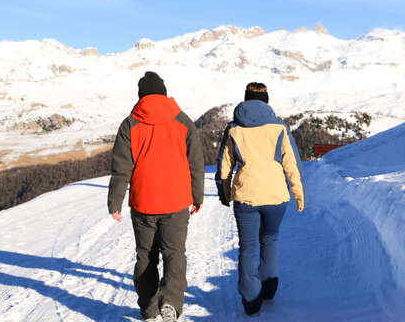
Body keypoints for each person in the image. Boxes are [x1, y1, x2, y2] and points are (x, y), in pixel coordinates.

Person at [108, 71, 204, 322]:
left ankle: (149, 311)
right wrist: (198, 196)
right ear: (164, 92)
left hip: (143, 202)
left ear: (141, 96)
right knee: (174, 254)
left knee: (145, 256)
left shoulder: (130, 123)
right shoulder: (183, 120)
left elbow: (121, 167)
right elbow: (195, 162)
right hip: (176, 201)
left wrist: (114, 202)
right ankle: (171, 303)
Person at [216, 82, 305, 316]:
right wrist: (298, 195)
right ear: (267, 100)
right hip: (276, 196)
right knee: (270, 239)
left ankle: (251, 299)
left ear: (245, 99)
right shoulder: (280, 128)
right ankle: (269, 288)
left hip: (246, 197)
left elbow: (224, 167)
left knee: (248, 247)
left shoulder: (234, 128)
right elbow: (292, 165)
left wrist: (224, 193)